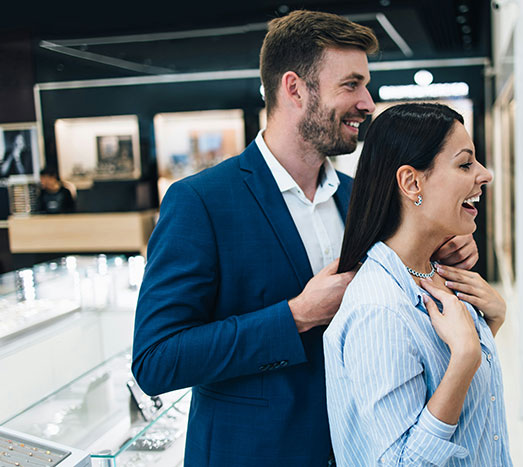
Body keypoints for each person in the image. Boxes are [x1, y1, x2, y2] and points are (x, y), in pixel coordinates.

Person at [132, 11, 478, 467]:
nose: (368, 103)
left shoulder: (362, 200)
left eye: (366, 86)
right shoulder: (201, 202)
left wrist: (441, 257)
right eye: (351, 85)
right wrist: (295, 316)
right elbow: (156, 361)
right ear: (294, 88)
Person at [325, 103, 513, 466]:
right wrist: (466, 357)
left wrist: (490, 324)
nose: (485, 174)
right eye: (465, 164)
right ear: (412, 183)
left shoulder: (432, 273)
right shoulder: (379, 311)